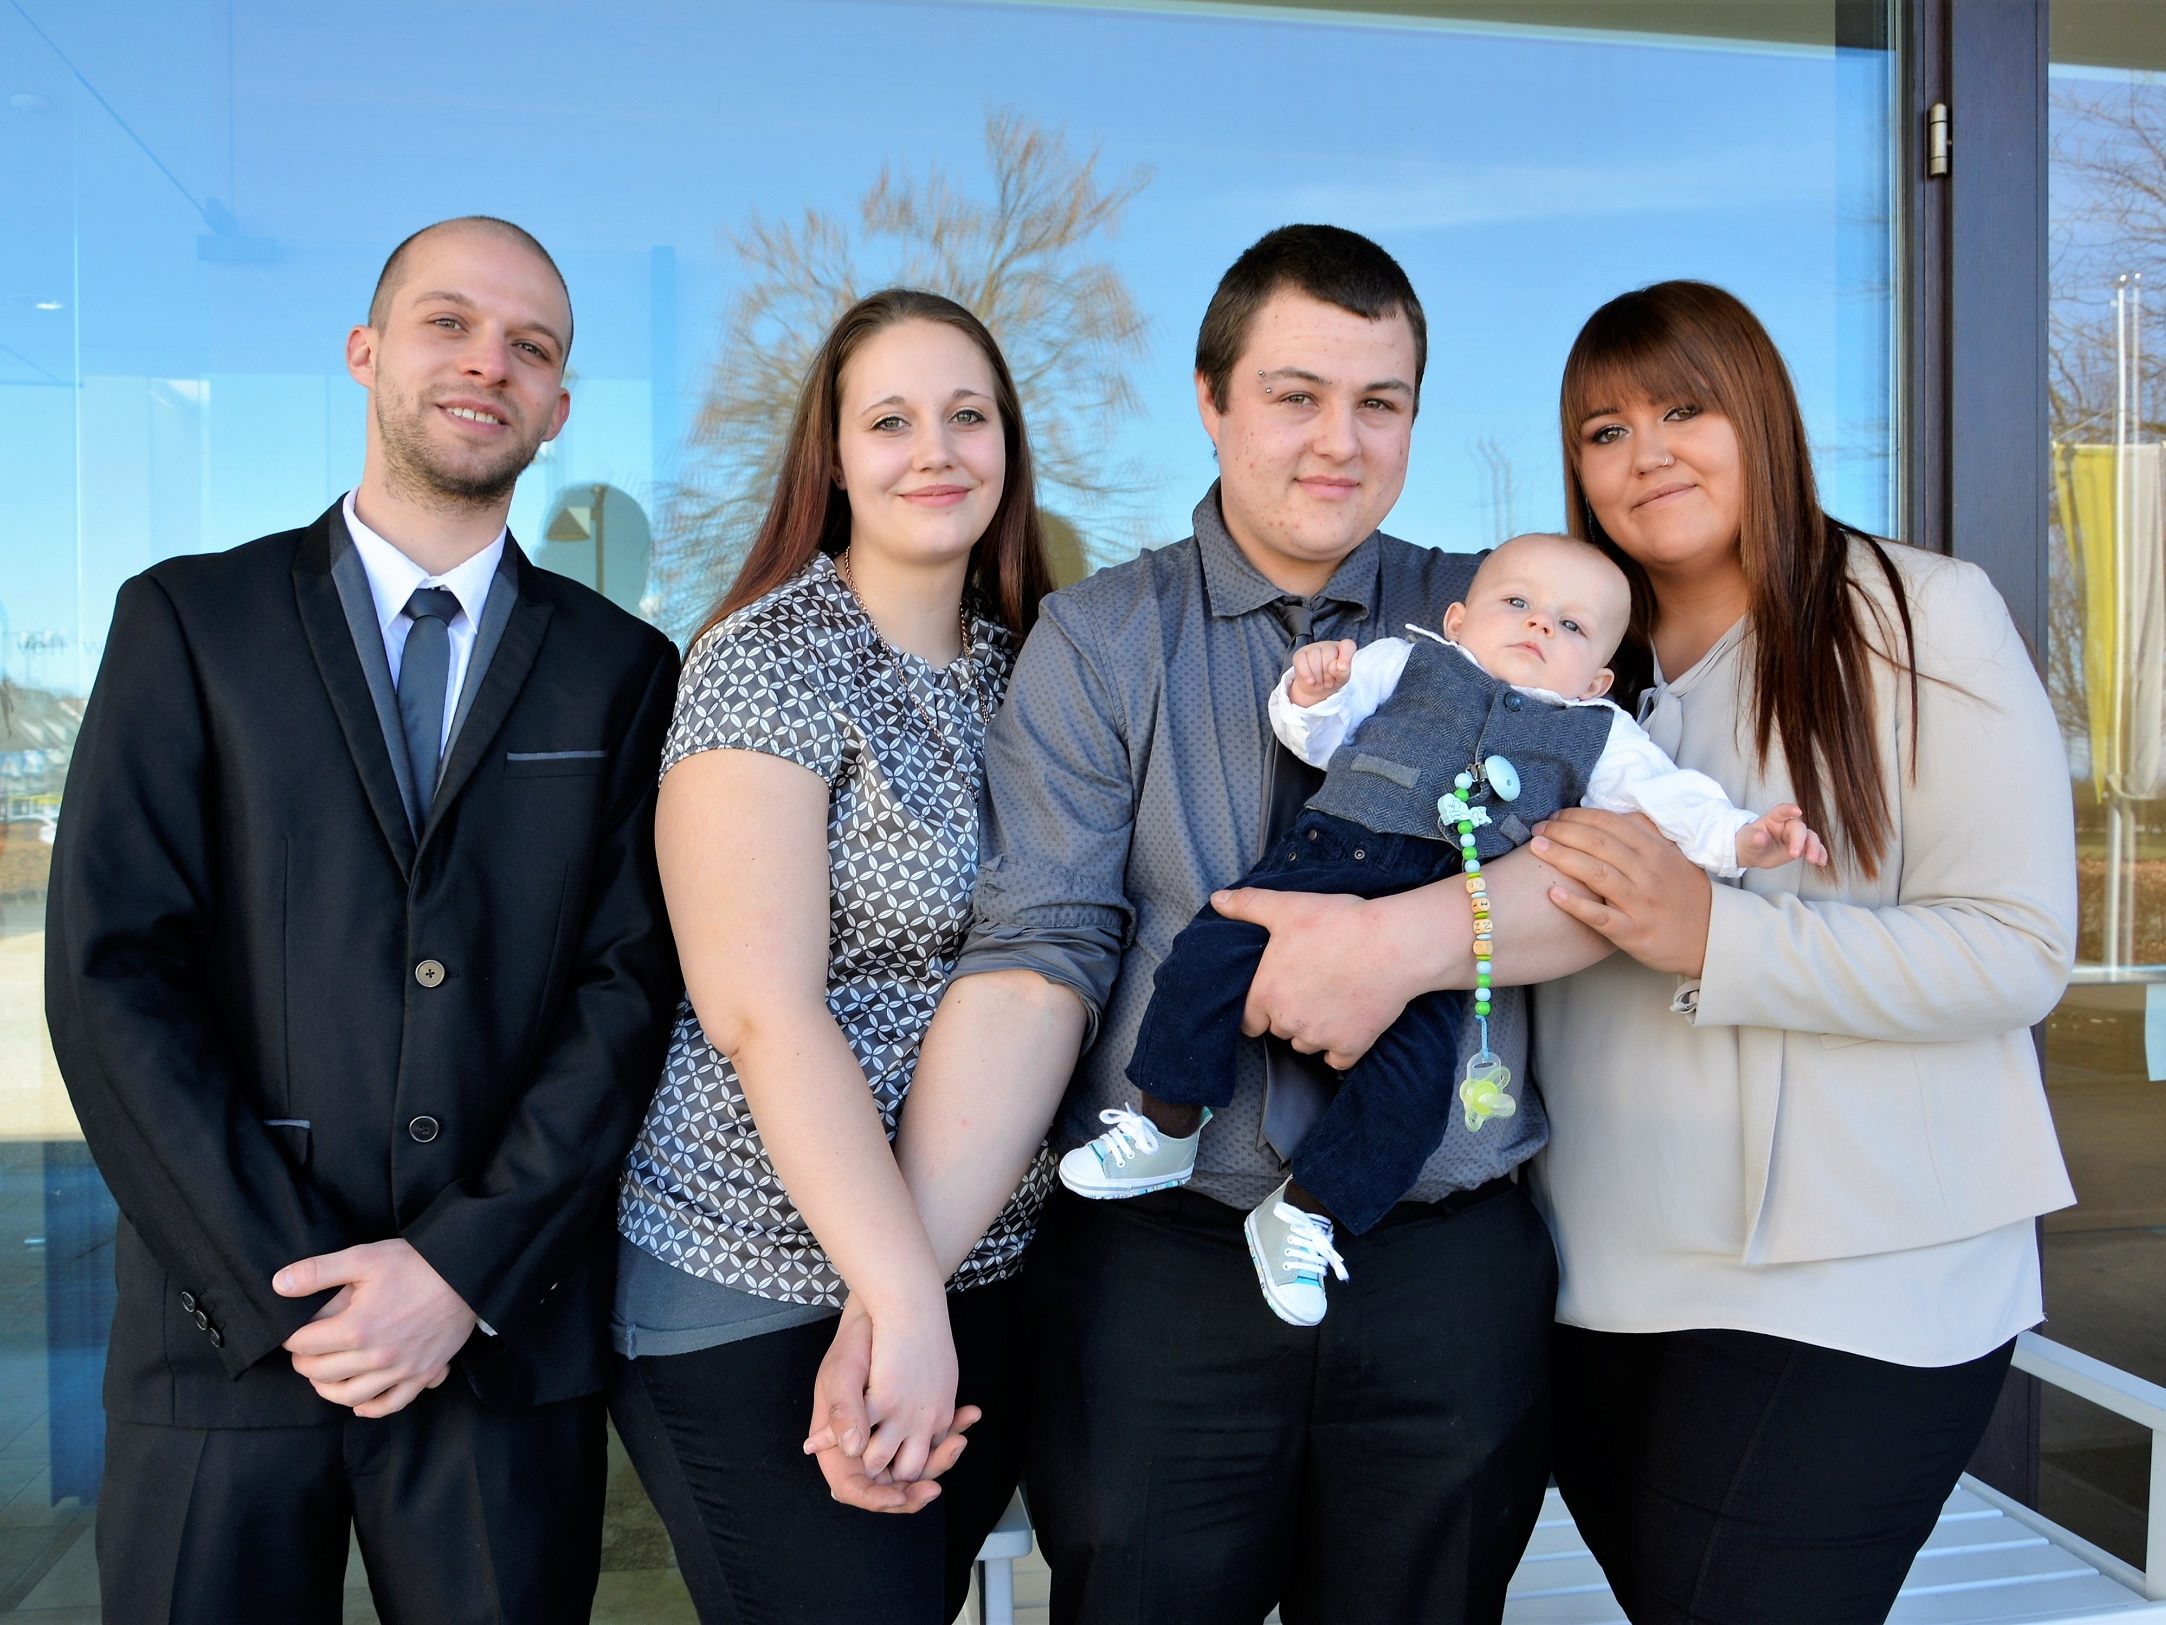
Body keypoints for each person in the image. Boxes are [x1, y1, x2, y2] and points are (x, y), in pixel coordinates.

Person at [809, 225, 1614, 1624]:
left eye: (1381, 403)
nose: (1338, 442)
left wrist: (1401, 944)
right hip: (1161, 1279)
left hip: (1438, 1261)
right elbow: (1035, 957)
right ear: (1210, 399)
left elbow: (1610, 881)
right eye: (1295, 394)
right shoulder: (1100, 637)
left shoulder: (1506, 612)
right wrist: (901, 1291)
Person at [43, 216, 682, 1623]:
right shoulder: (188, 625)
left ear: (560, 406)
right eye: (449, 323)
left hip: (497, 1349)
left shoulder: (624, 671)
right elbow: (110, 975)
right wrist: (292, 1293)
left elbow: (628, 994)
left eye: (531, 346)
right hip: (225, 1343)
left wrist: (458, 1271)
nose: (486, 363)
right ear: (366, 352)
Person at [1525, 280, 2077, 1625]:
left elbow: (2015, 949)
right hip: (1596, 1278)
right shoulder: (1567, 669)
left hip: (1867, 1277)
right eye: (1603, 429)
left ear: (1758, 417)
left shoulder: (1916, 615)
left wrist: (1720, 933)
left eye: (1683, 407)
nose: (1645, 451)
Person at [1064, 531, 1823, 1325]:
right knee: (1206, 955)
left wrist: (1744, 838)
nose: (1539, 626)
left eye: (1570, 627)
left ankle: (1306, 1210)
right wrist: (1313, 695)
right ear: (1458, 620)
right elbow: (1320, 738)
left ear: (1598, 676)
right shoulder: (1407, 661)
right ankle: (1167, 1123)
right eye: (1518, 603)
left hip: (1441, 932)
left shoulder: (1600, 735)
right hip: (1326, 856)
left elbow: (1677, 805)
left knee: (1413, 1089)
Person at [607, 288, 1055, 1624]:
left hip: (981, 1278)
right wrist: (897, 1301)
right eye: (892, 419)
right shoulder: (769, 658)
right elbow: (760, 1011)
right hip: (758, 1288)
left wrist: (924, 1298)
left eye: (967, 416)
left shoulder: (1025, 670)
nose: (937, 449)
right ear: (834, 456)